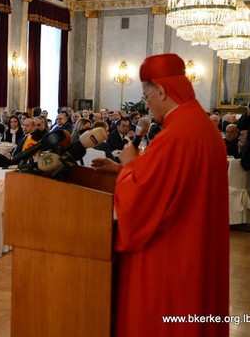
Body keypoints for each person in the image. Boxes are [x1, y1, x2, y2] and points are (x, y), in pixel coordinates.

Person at [92, 54, 229, 337]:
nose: (146, 103)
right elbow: (171, 183)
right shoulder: (201, 127)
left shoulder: (175, 136)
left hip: (168, 257)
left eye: (146, 95)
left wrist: (130, 163)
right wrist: (122, 168)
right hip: (195, 247)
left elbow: (141, 201)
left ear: (162, 90)